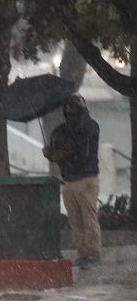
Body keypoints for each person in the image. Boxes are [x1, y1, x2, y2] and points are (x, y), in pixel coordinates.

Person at [42, 93, 101, 270]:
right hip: (69, 180)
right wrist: (49, 153)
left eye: (74, 106)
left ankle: (93, 255)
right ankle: (83, 254)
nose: (70, 110)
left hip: (86, 178)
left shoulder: (89, 126)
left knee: (88, 220)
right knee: (76, 221)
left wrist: (83, 109)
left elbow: (85, 131)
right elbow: (55, 154)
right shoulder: (61, 131)